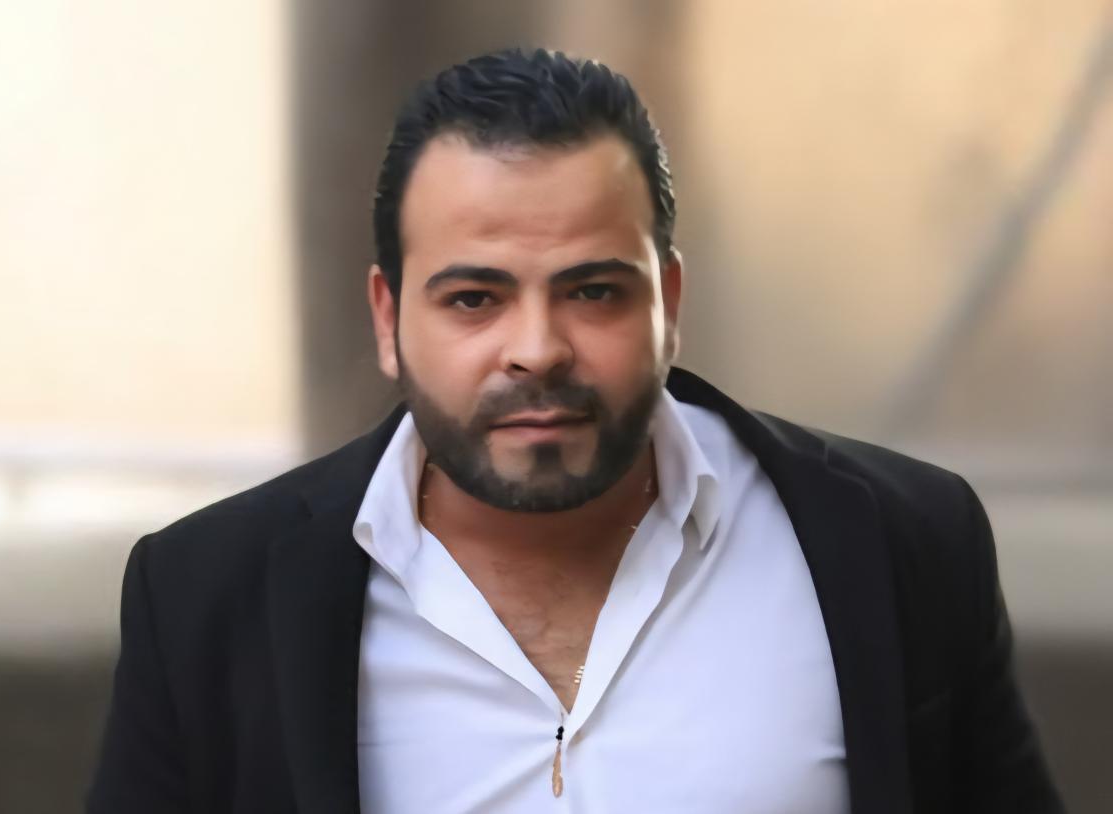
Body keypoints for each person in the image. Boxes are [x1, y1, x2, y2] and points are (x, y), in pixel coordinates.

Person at [87, 48, 1064, 813]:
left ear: (668, 302)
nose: (537, 350)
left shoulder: (899, 543)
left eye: (593, 291)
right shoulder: (205, 597)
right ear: (388, 318)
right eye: (474, 298)